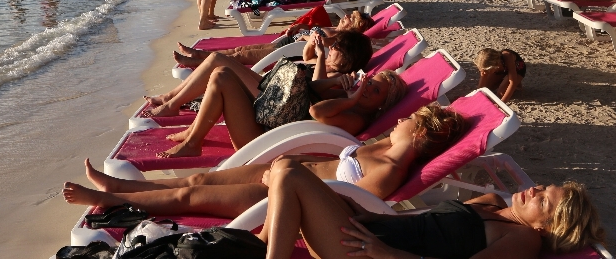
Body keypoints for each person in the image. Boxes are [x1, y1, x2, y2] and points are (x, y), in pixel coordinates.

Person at [63, 105, 468, 220]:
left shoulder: (390, 171)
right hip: (279, 173)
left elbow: (345, 205)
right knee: (206, 176)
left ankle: (117, 202)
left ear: (418, 135)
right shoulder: (382, 147)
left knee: (190, 193)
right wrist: (288, 160)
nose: (399, 119)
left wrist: (285, 178)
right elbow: (328, 154)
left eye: (408, 120)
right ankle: (122, 187)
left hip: (278, 195)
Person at [257, 160, 605, 259]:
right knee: (286, 167)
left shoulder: (524, 240)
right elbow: (425, 223)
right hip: (373, 233)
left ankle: (261, 249)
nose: (533, 190)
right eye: (542, 187)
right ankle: (256, 245)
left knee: (289, 172)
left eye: (542, 201)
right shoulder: (493, 202)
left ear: (546, 228)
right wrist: (372, 215)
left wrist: (386, 252)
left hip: (369, 253)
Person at [153, 36, 396, 159]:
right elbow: (314, 93)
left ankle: (192, 140)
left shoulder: (357, 118)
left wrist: (350, 98)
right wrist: (336, 83)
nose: (368, 88)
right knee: (221, 74)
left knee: (221, 74)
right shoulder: (349, 98)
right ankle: (193, 136)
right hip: (271, 123)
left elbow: (316, 111)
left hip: (265, 142)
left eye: (375, 91)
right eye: (372, 83)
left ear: (381, 105)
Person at [145, 29, 373, 119]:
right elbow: (305, 55)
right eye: (335, 46)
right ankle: (169, 99)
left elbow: (314, 87)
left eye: (338, 48)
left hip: (280, 102)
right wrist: (315, 46)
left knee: (218, 61)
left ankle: (171, 104)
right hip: (273, 86)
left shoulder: (341, 79)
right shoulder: (326, 62)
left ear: (349, 59)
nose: (333, 48)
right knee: (218, 61)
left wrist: (322, 57)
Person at [173, 10, 376, 70]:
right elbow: (313, 31)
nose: (346, 16)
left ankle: (196, 61)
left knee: (244, 56)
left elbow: (315, 45)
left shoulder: (337, 39)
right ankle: (198, 55)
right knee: (242, 50)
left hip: (291, 50)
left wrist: (305, 34)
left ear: (352, 28)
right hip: (287, 42)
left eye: (350, 18)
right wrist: (301, 26)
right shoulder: (333, 28)